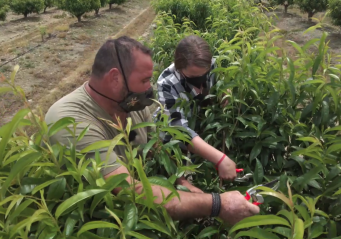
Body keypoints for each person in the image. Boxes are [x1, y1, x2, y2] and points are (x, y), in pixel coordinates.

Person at [45, 36, 260, 226]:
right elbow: (129, 190)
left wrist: (181, 181)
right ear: (114, 78)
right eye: (144, 80)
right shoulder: (70, 121)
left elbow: (155, 149)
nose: (150, 89)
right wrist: (216, 204)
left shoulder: (135, 104)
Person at [154, 35, 236, 184]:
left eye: (203, 74)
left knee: (203, 170)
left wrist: (224, 94)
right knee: (176, 179)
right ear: (179, 68)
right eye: (193, 76)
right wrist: (220, 158)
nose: (200, 79)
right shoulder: (167, 82)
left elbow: (221, 86)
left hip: (202, 127)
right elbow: (179, 130)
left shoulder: (211, 64)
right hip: (172, 138)